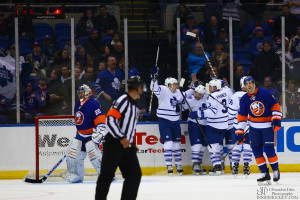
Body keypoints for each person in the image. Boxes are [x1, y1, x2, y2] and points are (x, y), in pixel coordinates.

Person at [95, 76, 143, 200]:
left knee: (134, 175)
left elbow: (128, 127)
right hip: (114, 143)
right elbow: (110, 119)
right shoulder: (123, 100)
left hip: (126, 145)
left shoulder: (134, 105)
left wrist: (131, 141)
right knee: (106, 175)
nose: (143, 89)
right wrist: (121, 137)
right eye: (141, 86)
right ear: (137, 87)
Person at [236, 76, 281, 185]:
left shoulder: (264, 93)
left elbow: (275, 105)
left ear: (254, 84)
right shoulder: (244, 99)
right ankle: (264, 173)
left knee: (269, 150)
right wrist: (240, 130)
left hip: (267, 128)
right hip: (254, 129)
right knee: (256, 151)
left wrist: (276, 117)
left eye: (251, 83)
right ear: (244, 86)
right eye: (247, 84)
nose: (249, 85)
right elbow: (242, 116)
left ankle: (275, 170)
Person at [150, 67, 194, 175]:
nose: (176, 86)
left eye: (176, 84)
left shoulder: (178, 92)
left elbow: (182, 100)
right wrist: (154, 77)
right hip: (165, 120)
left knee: (176, 144)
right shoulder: (163, 90)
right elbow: (154, 88)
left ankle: (178, 165)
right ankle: (169, 166)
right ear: (169, 85)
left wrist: (193, 88)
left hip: (175, 120)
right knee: (168, 143)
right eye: (174, 84)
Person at [65, 84, 106, 183]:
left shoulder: (93, 103)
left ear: (87, 92)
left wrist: (100, 130)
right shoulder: (77, 104)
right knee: (73, 156)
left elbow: (99, 116)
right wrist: (78, 132)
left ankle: (106, 175)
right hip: (80, 134)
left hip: (91, 135)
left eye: (82, 92)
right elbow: (78, 120)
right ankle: (77, 175)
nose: (80, 94)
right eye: (79, 93)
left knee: (94, 156)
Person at [189, 79, 230, 175]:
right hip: (224, 124)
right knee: (218, 145)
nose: (210, 89)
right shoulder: (227, 92)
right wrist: (222, 83)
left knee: (211, 145)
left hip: (214, 125)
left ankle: (217, 165)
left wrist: (199, 113)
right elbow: (228, 89)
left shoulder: (213, 96)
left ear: (216, 87)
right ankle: (220, 164)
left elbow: (212, 112)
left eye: (212, 87)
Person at [228, 76, 253, 176]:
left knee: (237, 147)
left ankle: (235, 167)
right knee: (248, 146)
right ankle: (246, 167)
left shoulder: (235, 96)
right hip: (250, 126)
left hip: (237, 125)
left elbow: (230, 113)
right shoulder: (253, 96)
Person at [182, 84, 208, 175]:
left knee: (203, 146)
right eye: (196, 93)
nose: (197, 95)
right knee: (196, 145)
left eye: (200, 93)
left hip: (205, 124)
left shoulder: (207, 99)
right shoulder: (190, 100)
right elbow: (181, 107)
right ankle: (195, 164)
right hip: (194, 124)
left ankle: (198, 164)